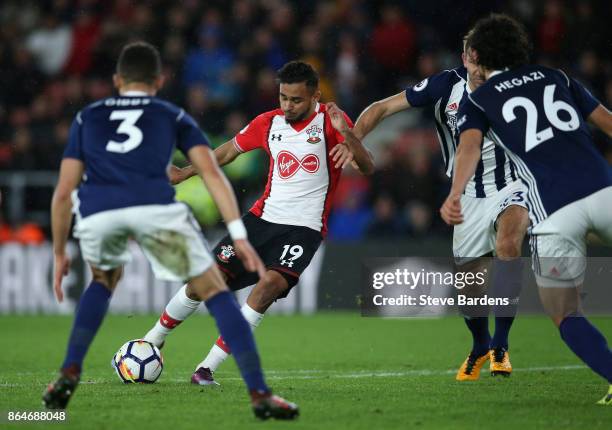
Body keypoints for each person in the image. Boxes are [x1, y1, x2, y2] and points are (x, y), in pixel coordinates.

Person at [43, 41, 298, 420]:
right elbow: (212, 174)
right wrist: (238, 233)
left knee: (102, 281)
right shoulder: (170, 115)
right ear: (159, 81)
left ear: (116, 80)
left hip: (100, 206)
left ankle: (69, 370)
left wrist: (61, 251)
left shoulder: (88, 117)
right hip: (153, 205)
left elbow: (63, 192)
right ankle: (259, 393)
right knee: (214, 290)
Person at [142, 60, 374, 386]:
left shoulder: (331, 122)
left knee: (269, 286)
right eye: (283, 98)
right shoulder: (268, 123)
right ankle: (153, 339)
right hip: (260, 221)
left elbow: (367, 165)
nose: (288, 106)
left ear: (315, 96)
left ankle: (206, 368)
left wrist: (347, 133)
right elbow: (227, 153)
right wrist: (184, 173)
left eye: (296, 100)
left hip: (303, 229)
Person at [442, 14, 612, 404]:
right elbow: (608, 123)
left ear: (477, 55)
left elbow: (468, 148)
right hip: (604, 191)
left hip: (554, 213)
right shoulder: (559, 78)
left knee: (565, 311)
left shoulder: (480, 98)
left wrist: (454, 193)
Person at [353, 31, 530, 380]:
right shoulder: (443, 86)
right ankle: (480, 345)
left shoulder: (517, 87)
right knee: (469, 287)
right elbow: (382, 108)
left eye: (484, 57)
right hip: (465, 194)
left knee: (508, 244)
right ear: (464, 58)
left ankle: (501, 345)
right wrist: (354, 139)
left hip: (513, 184)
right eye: (472, 57)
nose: (477, 64)